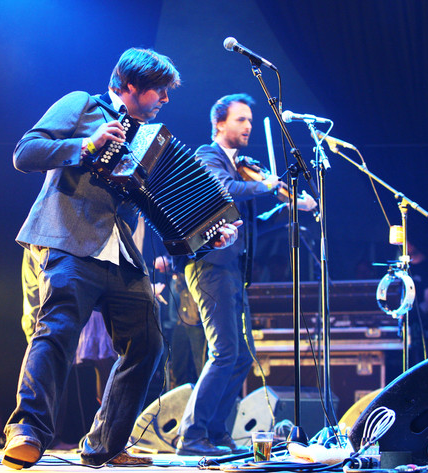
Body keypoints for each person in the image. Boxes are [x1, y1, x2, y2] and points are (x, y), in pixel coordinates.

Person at [3, 47, 240, 469]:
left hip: (122, 254)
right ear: (132, 86)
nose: (165, 100)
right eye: (160, 92)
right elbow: (25, 152)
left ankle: (105, 445)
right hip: (70, 239)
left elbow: (164, 213)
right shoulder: (83, 105)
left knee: (147, 345)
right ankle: (26, 431)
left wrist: (207, 239)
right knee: (55, 333)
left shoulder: (149, 137)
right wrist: (85, 144)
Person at [175, 94, 317, 456]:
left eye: (250, 120)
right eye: (240, 119)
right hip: (210, 266)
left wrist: (288, 206)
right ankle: (191, 437)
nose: (248, 126)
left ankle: (218, 431)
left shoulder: (241, 166)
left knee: (241, 356)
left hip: (233, 269)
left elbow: (251, 221)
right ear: (219, 124)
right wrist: (270, 185)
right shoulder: (208, 157)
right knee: (223, 352)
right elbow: (224, 189)